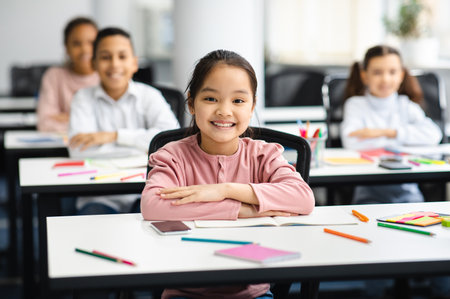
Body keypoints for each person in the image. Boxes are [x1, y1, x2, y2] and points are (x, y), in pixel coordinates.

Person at [141, 49, 315, 299]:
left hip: (251, 293)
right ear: (191, 102)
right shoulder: (173, 156)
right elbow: (153, 205)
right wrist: (243, 210)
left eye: (238, 101)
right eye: (211, 99)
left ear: (252, 105)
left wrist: (225, 190)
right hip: (186, 291)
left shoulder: (263, 155)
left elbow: (303, 198)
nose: (224, 111)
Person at [68, 27, 179, 214]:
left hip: (146, 193)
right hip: (98, 195)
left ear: (134, 63)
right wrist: (143, 148)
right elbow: (78, 150)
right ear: (93, 64)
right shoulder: (82, 98)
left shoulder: (150, 96)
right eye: (105, 57)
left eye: (122, 56)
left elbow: (169, 142)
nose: (114, 64)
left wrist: (113, 136)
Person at [341, 45, 442, 205]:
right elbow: (352, 142)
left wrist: (386, 133)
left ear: (401, 75)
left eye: (392, 72)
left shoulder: (406, 105)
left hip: (410, 197)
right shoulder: (355, 105)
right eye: (377, 72)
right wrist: (405, 143)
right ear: (364, 75)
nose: (385, 79)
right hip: (367, 197)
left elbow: (434, 135)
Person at [37, 17, 100, 133]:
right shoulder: (54, 76)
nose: (85, 49)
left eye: (91, 43)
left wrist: (65, 117)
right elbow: (45, 124)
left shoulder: (107, 76)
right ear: (66, 47)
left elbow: (113, 124)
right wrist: (90, 124)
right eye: (76, 43)